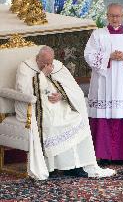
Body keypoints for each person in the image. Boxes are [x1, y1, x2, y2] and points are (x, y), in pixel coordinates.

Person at [15, 45, 115, 180]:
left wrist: (62, 95)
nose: (48, 66)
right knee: (52, 124)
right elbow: (24, 91)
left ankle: (74, 166)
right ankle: (50, 167)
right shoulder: (25, 67)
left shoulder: (57, 66)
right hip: (38, 107)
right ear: (38, 58)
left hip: (59, 105)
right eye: (44, 63)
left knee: (76, 119)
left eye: (50, 62)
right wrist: (42, 75)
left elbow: (74, 89)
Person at [84, 3, 123, 166]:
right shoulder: (97, 34)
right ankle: (104, 155)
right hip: (104, 82)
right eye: (112, 16)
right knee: (104, 114)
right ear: (107, 16)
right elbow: (89, 54)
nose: (115, 19)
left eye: (118, 16)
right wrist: (109, 56)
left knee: (122, 113)